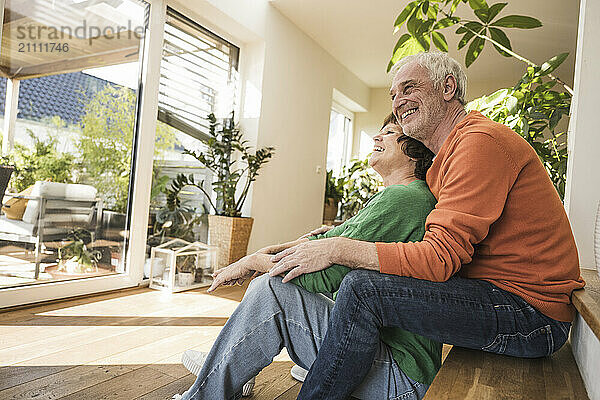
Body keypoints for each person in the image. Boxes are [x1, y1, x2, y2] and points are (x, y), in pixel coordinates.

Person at [267, 51, 585, 400]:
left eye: (409, 87)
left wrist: (337, 247)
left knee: (364, 288)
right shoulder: (446, 160)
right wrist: (335, 234)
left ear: (448, 87)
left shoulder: (479, 142)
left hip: (532, 316)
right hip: (501, 299)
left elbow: (438, 259)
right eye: (393, 94)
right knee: (363, 284)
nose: (398, 102)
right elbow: (424, 234)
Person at [173, 114, 440, 400]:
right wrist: (261, 255)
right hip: (389, 362)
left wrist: (251, 262)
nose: (377, 137)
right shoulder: (405, 197)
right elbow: (318, 244)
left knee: (272, 290)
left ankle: (208, 388)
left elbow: (317, 273)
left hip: (400, 378)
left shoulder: (403, 199)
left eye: (389, 132)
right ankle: (230, 369)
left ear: (414, 150)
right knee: (272, 285)